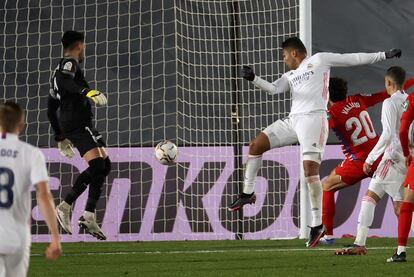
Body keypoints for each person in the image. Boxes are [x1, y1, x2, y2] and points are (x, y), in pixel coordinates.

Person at [227, 36, 402, 247]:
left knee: (310, 171)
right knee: (256, 145)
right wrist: (254, 78)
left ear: (294, 53)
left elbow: (352, 58)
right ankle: (247, 192)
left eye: (284, 55)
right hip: (293, 121)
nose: (283, 60)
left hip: (314, 120)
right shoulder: (290, 75)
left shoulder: (319, 60)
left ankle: (317, 225)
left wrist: (383, 55)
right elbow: (273, 89)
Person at [321, 77, 414, 244]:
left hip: (360, 161)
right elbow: (385, 93)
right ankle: (359, 242)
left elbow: (322, 128)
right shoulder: (357, 99)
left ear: (327, 96)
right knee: (398, 206)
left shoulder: (332, 113)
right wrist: (409, 81)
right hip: (382, 155)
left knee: (327, 186)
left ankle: (328, 235)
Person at [47, 30, 110, 240]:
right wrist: (87, 92)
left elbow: (50, 108)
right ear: (80, 45)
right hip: (77, 121)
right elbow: (66, 81)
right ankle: (67, 207)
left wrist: (59, 136)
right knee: (98, 166)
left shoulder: (57, 70)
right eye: (83, 46)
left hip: (76, 122)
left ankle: (88, 215)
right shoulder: (69, 63)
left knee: (103, 165)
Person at [0, 102, 61, 277]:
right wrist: (55, 238)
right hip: (17, 236)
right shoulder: (31, 153)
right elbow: (43, 194)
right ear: (21, 124)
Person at [387, 72, 414, 262]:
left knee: (407, 202)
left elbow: (403, 129)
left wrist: (406, 153)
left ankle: (401, 251)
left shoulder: (411, 99)